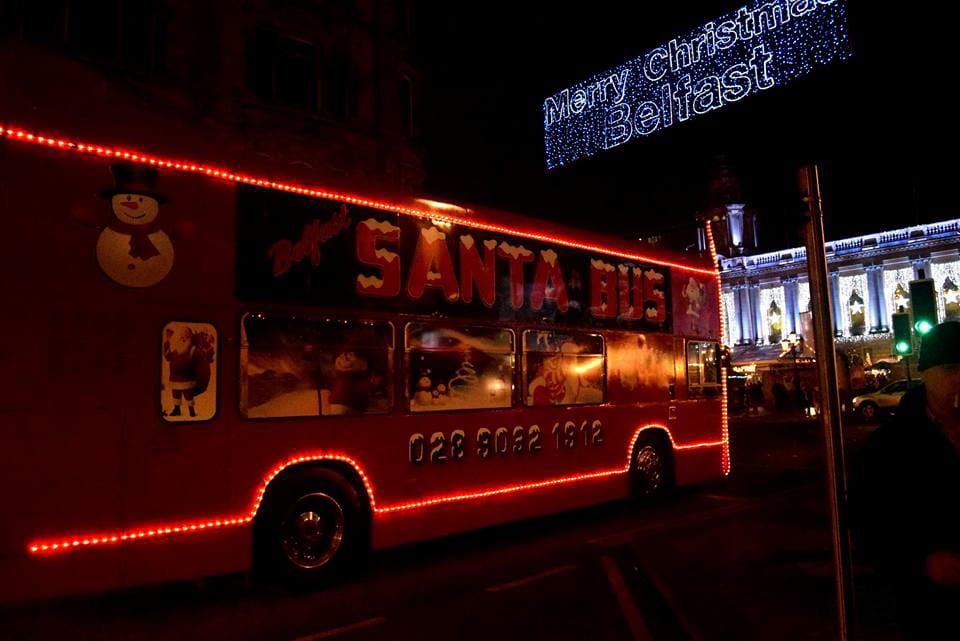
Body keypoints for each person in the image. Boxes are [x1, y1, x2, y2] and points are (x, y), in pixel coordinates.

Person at [853, 321, 960, 640]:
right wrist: (922, 562)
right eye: (950, 369)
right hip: (929, 607)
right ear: (925, 374)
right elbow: (868, 524)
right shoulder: (889, 445)